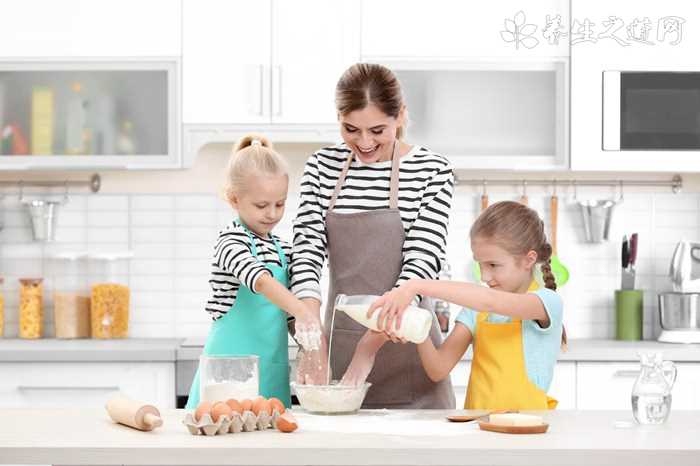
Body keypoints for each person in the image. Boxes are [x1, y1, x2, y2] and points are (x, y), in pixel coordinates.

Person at [290, 63, 455, 408]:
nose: (364, 143)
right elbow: (306, 252)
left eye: (378, 130)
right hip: (341, 356)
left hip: (410, 348)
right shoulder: (321, 166)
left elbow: (422, 261)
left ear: (401, 116)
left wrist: (369, 347)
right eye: (350, 129)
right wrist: (310, 336)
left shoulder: (432, 170)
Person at [368, 201, 565, 410]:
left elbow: (490, 302)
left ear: (528, 260)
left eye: (493, 265)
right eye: (479, 264)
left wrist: (415, 285)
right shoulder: (474, 311)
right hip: (479, 431)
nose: (485, 276)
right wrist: (416, 322)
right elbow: (438, 369)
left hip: (528, 431)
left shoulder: (546, 302)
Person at [186, 133, 320, 409]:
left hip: (270, 374)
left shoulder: (285, 249)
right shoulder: (230, 242)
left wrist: (311, 343)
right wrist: (303, 311)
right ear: (234, 199)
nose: (272, 213)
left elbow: (288, 315)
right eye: (261, 205)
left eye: (280, 204)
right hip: (226, 377)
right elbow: (260, 281)